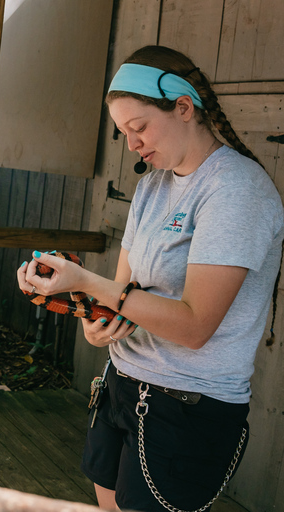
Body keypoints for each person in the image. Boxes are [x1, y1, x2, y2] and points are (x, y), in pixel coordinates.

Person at [17, 45, 284, 511]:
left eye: (138, 128)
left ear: (184, 107)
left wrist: (91, 283)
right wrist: (87, 314)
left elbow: (194, 326)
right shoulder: (152, 186)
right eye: (123, 134)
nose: (133, 144)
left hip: (185, 404)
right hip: (122, 381)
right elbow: (124, 296)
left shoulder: (237, 190)